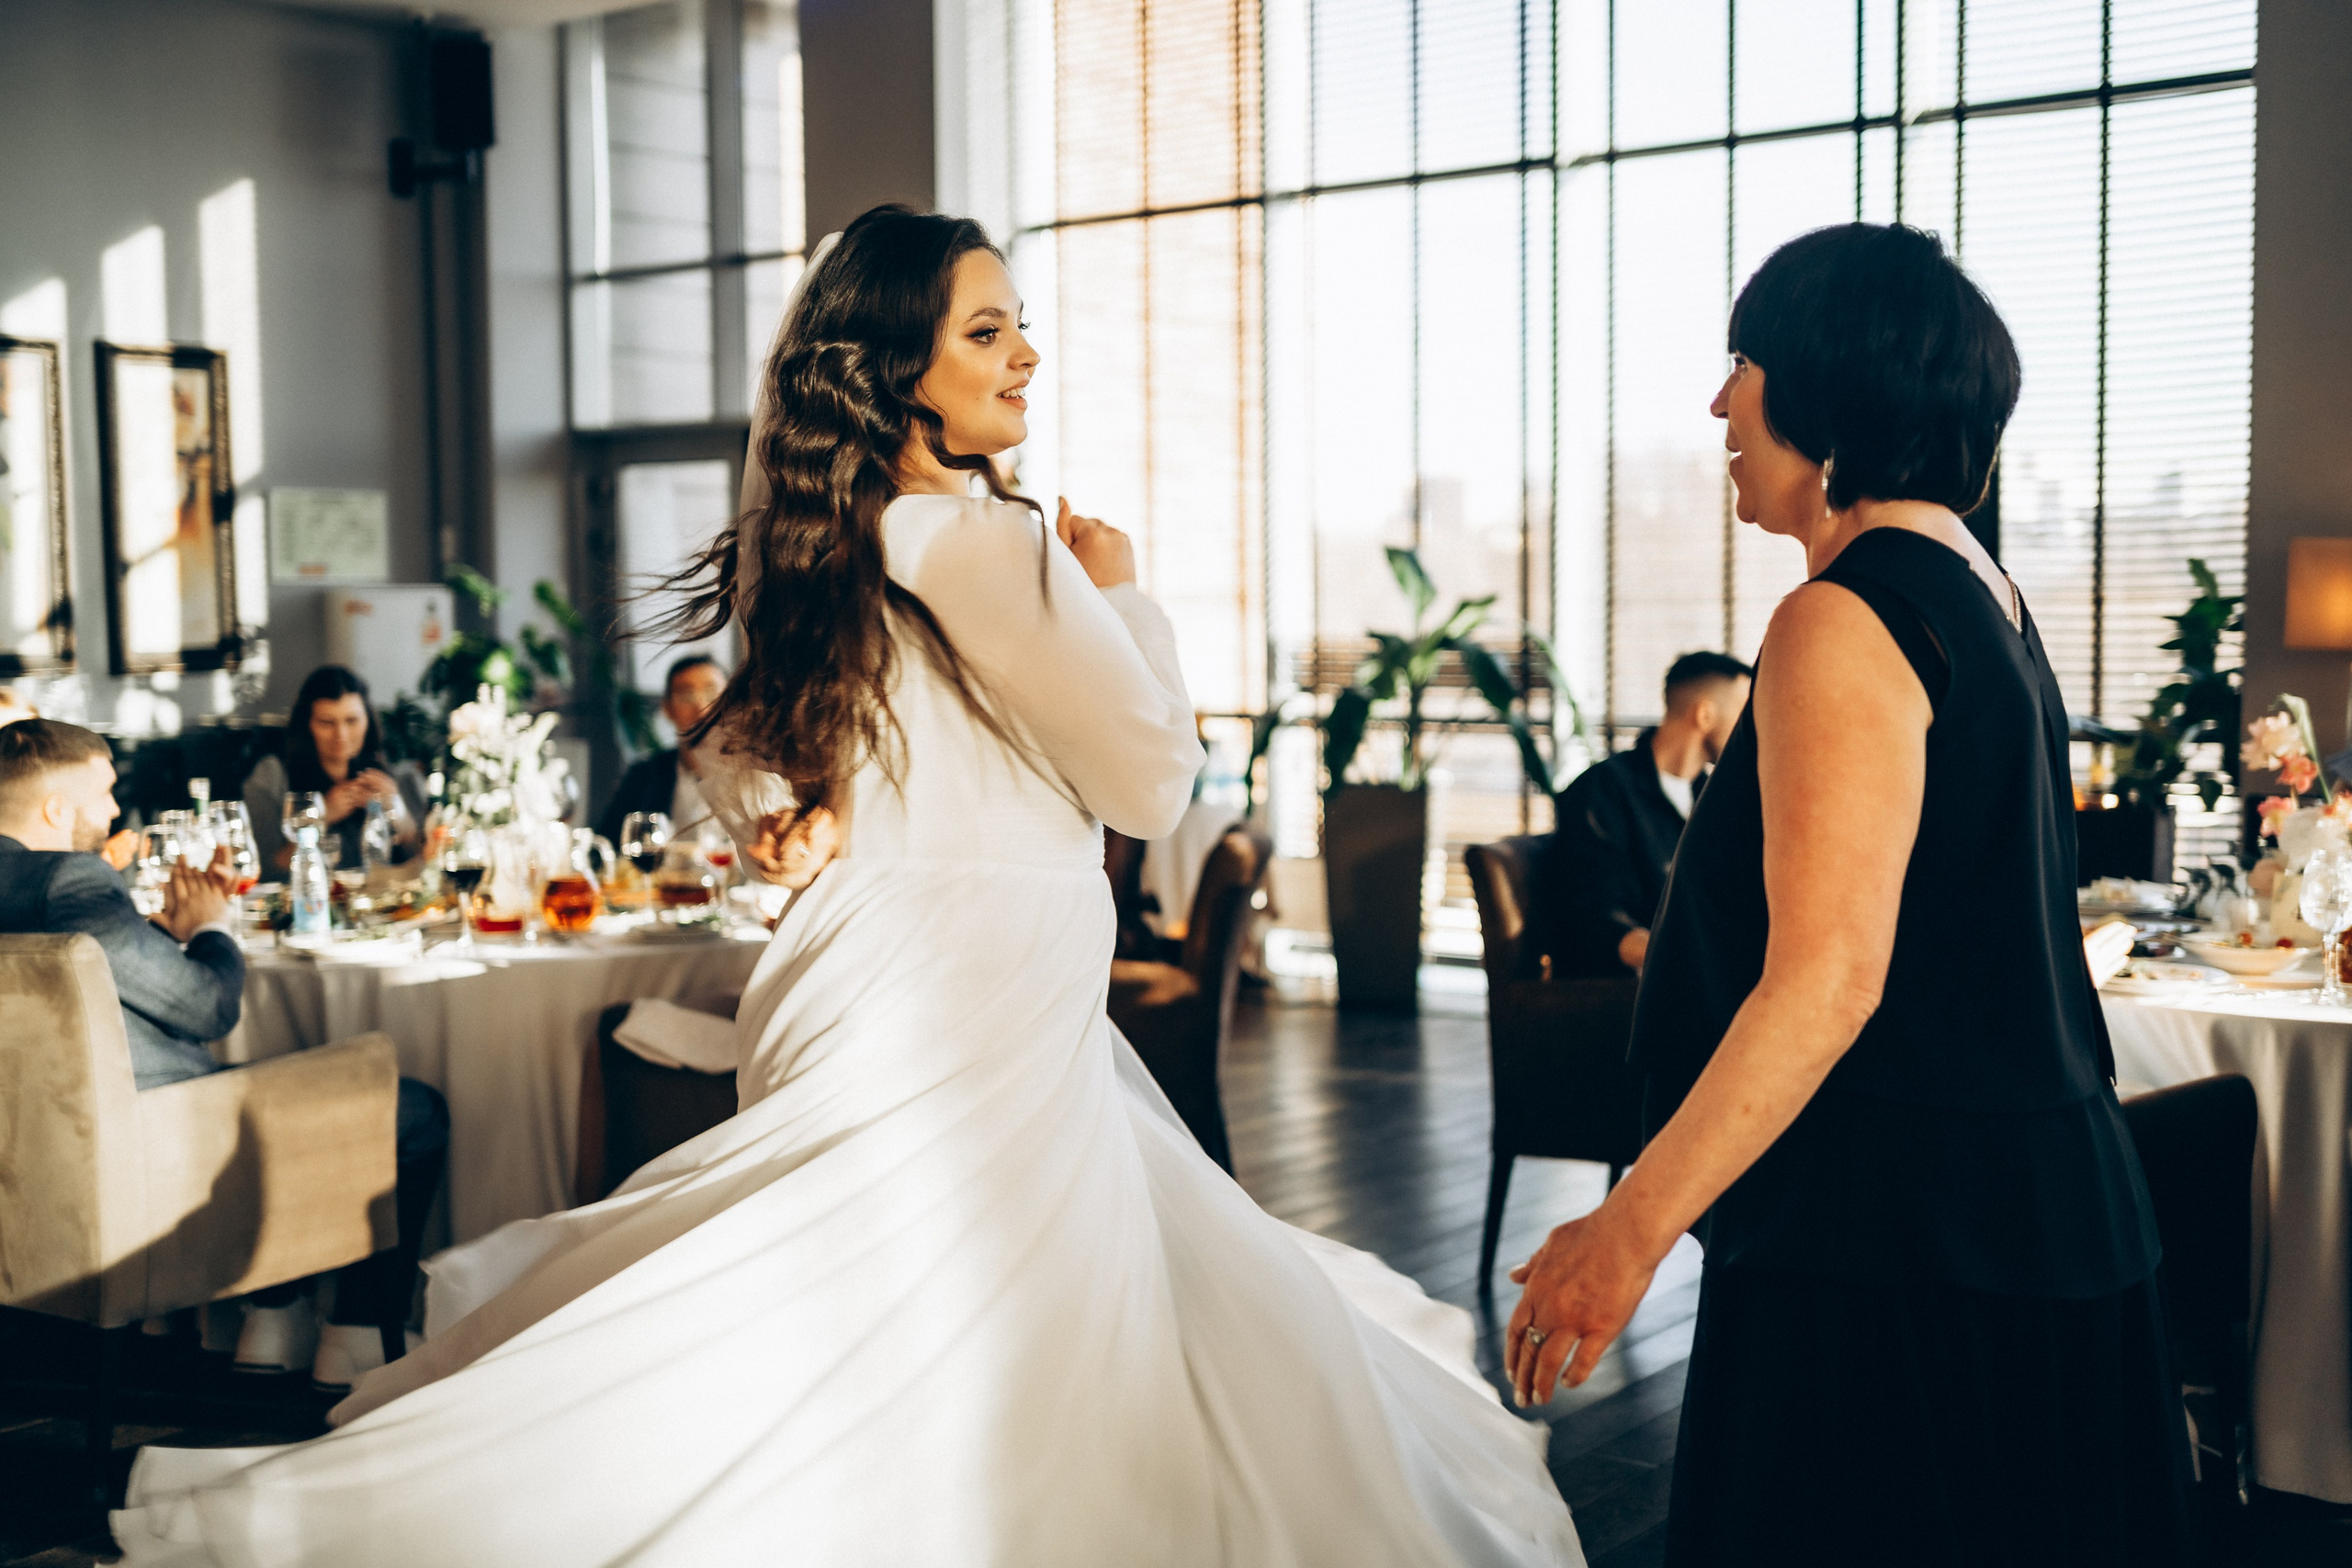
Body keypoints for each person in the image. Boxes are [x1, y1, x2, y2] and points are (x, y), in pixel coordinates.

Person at [111, 206, 1582, 1565]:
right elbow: (1148, 781)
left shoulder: (823, 537)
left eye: (1020, 324)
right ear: (900, 369)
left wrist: (804, 817)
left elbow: (744, 757)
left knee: (858, 1302)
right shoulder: (990, 538)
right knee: (942, 1314)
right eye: (988, 330)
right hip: (972, 979)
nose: (1028, 352)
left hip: (879, 960)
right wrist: (1125, 590)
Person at [1502, 224, 2190, 1564]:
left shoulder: (1841, 614)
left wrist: (1627, 1226)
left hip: (1903, 1242)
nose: (1718, 402)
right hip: (2030, 1213)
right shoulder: (1986, 597)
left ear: (1833, 388)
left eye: (1744, 361)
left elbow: (1829, 976)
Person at [0, 718, 451, 1394]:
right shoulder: (70, 879)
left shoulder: (36, 886)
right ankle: (354, 1330)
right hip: (158, 1145)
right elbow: (209, 1006)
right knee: (412, 1108)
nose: (117, 811)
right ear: (56, 809)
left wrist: (159, 932)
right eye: (105, 793)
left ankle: (277, 1318)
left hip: (33, 1160)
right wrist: (212, 926)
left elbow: (73, 974)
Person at [1531, 652, 1751, 978]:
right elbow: (1594, 915)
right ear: (1704, 715)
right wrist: (1692, 963)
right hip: (1617, 988)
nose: (1753, 731)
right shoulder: (1602, 791)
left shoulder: (1714, 799)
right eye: (1745, 716)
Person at [243, 665, 425, 874]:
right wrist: (321, 817)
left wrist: (397, 810)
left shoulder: (397, 774)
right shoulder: (272, 777)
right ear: (306, 725)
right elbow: (265, 869)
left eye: (352, 721)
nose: (341, 735)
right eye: (327, 723)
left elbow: (422, 862)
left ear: (368, 720)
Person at [593, 652, 727, 844]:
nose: (701, 707)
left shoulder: (754, 774)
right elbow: (605, 842)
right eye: (686, 696)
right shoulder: (645, 775)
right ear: (667, 709)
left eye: (712, 694)